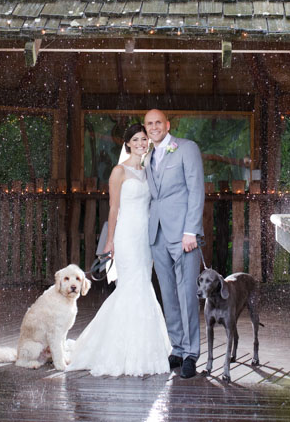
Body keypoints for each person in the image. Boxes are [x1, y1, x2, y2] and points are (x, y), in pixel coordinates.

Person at [68, 124, 172, 376]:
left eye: (143, 139)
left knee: (144, 285)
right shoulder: (119, 171)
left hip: (145, 237)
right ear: (127, 144)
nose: (140, 143)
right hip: (126, 235)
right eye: (135, 139)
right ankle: (116, 351)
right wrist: (109, 241)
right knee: (130, 287)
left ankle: (144, 349)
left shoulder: (150, 170)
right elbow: (114, 208)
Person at [144, 109, 205, 379]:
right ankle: (177, 349)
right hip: (157, 234)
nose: (154, 127)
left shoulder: (186, 148)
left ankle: (191, 353)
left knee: (186, 294)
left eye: (158, 122)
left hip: (183, 234)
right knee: (168, 294)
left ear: (167, 125)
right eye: (149, 124)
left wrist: (191, 230)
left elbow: (196, 189)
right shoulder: (148, 156)